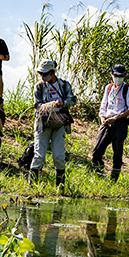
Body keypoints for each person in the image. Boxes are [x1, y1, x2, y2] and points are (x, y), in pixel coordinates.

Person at [30, 60, 76, 188]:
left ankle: (60, 187)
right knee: (39, 156)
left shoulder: (64, 85)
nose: (42, 77)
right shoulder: (38, 86)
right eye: (41, 74)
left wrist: (63, 103)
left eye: (44, 74)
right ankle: (32, 187)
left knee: (59, 157)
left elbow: (73, 100)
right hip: (43, 124)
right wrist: (48, 106)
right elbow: (37, 105)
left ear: (52, 73)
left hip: (59, 124)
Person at [92, 64, 129, 182]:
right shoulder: (108, 88)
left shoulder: (128, 88)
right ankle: (98, 175)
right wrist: (102, 118)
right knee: (97, 151)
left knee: (117, 153)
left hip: (120, 122)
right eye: (116, 75)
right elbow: (103, 106)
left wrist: (116, 118)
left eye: (120, 75)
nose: (118, 77)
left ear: (124, 75)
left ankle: (114, 180)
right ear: (112, 75)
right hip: (107, 122)